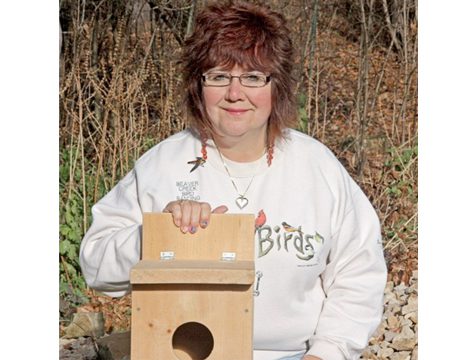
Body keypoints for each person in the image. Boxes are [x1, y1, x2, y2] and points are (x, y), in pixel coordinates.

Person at [79, 1, 387, 359]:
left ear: (278, 86)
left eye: (254, 77)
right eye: (219, 76)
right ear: (199, 84)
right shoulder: (163, 165)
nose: (235, 93)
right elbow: (95, 265)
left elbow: (359, 274)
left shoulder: (317, 167)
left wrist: (328, 351)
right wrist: (155, 233)